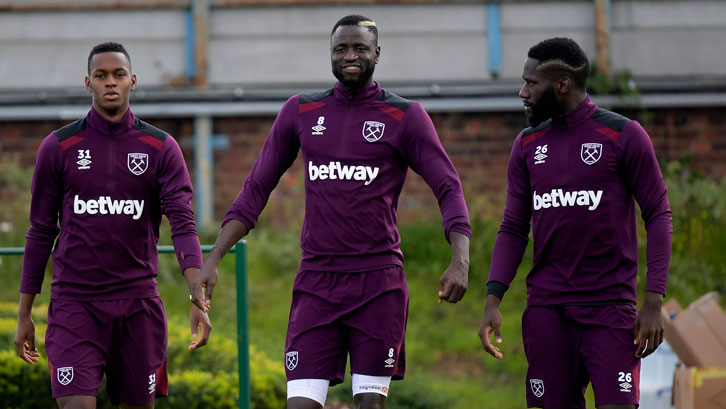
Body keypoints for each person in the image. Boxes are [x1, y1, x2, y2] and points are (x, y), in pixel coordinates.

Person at [191, 14, 471, 409]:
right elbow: (256, 188)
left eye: (360, 48)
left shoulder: (405, 117)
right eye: (341, 49)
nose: (350, 56)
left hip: (378, 283)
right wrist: (215, 254)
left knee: (369, 404)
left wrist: (460, 258)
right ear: (331, 55)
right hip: (317, 283)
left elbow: (448, 186)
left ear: (377, 53)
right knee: (301, 405)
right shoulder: (301, 111)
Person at [477, 37, 672, 409]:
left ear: (562, 84)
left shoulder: (622, 135)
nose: (523, 92)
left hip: (610, 310)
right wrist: (493, 298)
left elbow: (659, 214)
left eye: (532, 83)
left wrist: (653, 300)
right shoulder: (526, 145)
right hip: (547, 311)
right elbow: (514, 228)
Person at [14, 42, 211, 409]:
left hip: (137, 304)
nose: (110, 82)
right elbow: (40, 231)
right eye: (101, 75)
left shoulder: (160, 148)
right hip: (75, 304)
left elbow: (182, 223)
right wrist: (24, 313)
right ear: (88, 82)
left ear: (132, 81)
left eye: (118, 75)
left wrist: (196, 296)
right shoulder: (58, 147)